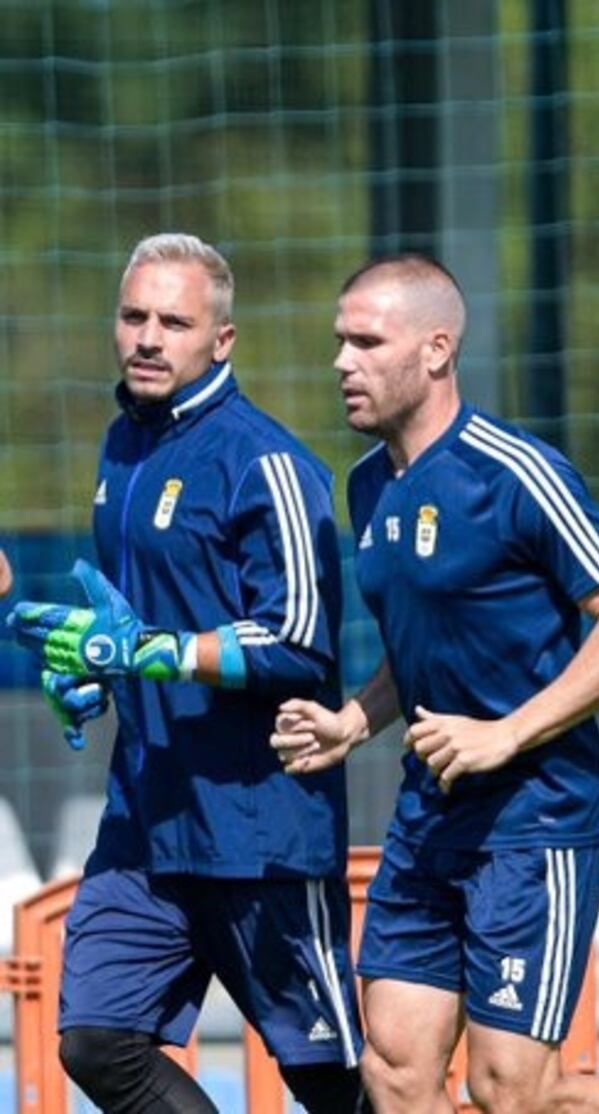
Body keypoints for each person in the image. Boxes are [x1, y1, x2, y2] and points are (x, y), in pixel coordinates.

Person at [269, 254, 599, 1114]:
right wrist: (353, 721)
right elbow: (421, 647)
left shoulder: (515, 471)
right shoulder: (369, 485)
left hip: (537, 824)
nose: (342, 361)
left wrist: (507, 732)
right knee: (394, 1073)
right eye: (339, 341)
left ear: (436, 349)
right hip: (428, 820)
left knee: (507, 1091)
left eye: (367, 342)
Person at [8, 233, 366, 1113]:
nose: (149, 338)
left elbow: (300, 637)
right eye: (134, 316)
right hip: (148, 814)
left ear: (223, 339)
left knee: (336, 1082)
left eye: (175, 321)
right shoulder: (122, 448)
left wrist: (152, 652)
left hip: (259, 823)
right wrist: (94, 675)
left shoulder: (267, 462)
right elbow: (128, 623)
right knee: (96, 1039)